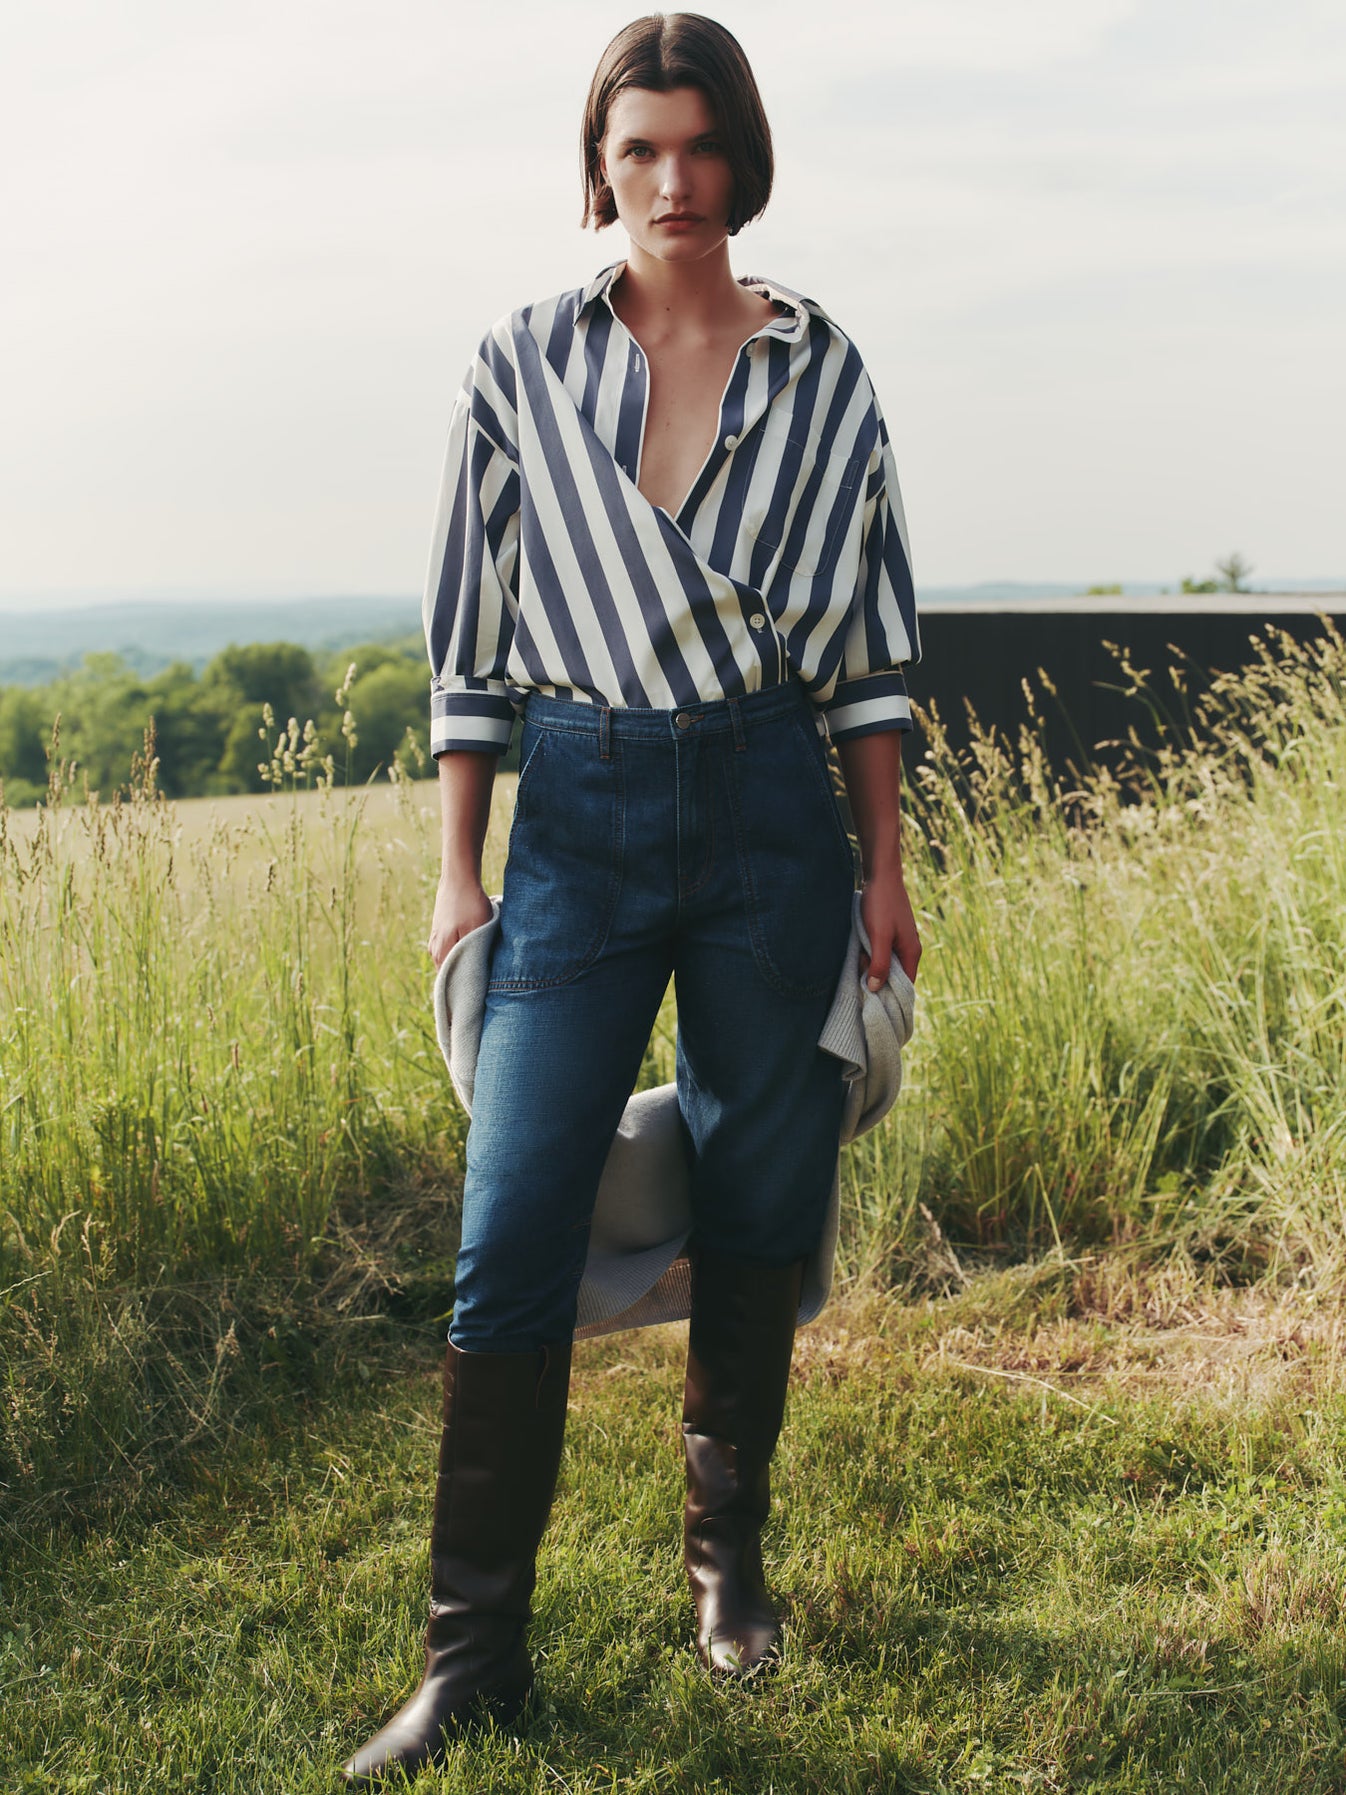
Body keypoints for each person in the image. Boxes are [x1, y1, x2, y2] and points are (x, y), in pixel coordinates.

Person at [342, 12, 920, 1784]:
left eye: (700, 147)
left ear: (742, 156)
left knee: (761, 1187)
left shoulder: (824, 375)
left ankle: (724, 1571)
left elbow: (869, 647)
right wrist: (461, 872)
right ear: (597, 165)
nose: (673, 182)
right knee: (511, 1215)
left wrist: (884, 868)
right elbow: (470, 642)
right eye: (638, 150)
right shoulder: (515, 366)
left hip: (768, 809)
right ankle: (469, 1662)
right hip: (578, 820)